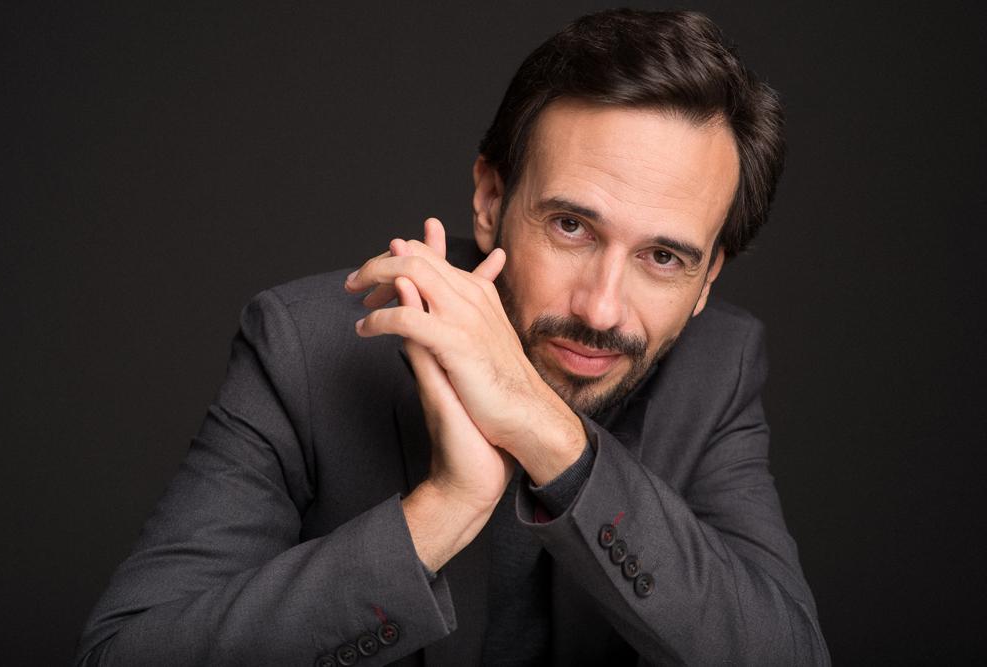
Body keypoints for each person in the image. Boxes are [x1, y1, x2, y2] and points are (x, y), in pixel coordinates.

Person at [76, 9, 829, 666]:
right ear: (491, 201)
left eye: (663, 258)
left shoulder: (717, 368)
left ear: (708, 278)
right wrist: (444, 508)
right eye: (571, 226)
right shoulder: (306, 349)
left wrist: (551, 439)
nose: (602, 310)